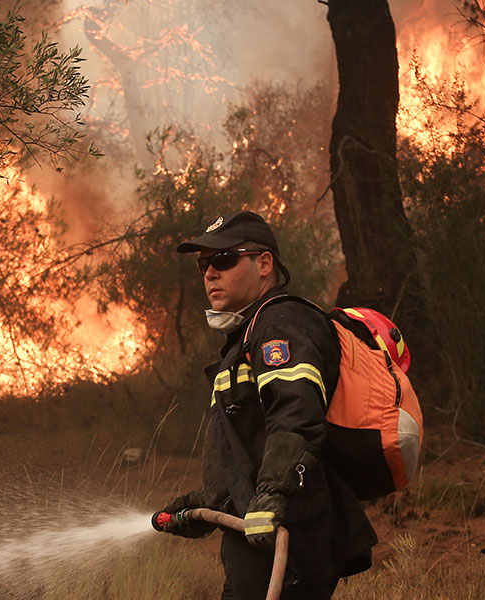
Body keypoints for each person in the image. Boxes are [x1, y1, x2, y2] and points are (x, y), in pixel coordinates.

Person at [160, 210, 377, 600]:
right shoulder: (248, 335)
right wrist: (204, 506)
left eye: (224, 260)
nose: (210, 273)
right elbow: (250, 448)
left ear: (264, 264)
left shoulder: (279, 325)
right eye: (204, 264)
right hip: (258, 530)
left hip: (288, 531)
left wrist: (273, 493)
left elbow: (295, 416)